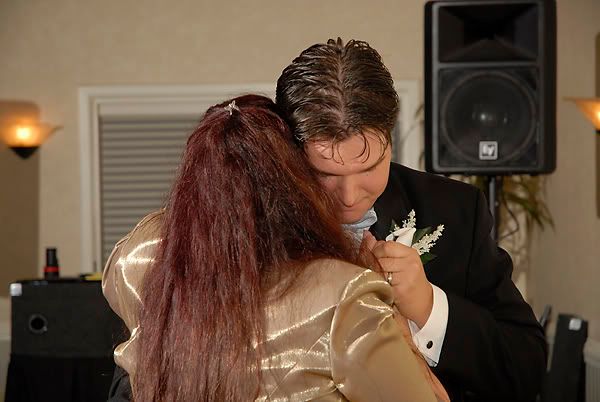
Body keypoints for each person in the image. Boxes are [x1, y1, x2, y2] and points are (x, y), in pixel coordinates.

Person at [107, 38, 547, 401]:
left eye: (369, 166)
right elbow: (139, 374)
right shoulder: (237, 223)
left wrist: (429, 307)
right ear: (288, 151)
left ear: (391, 139)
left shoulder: (456, 209)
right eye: (325, 174)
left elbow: (525, 369)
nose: (350, 196)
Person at [102, 95, 444, 401]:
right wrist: (391, 313)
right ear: (293, 177)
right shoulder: (345, 294)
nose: (348, 196)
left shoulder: (138, 257)